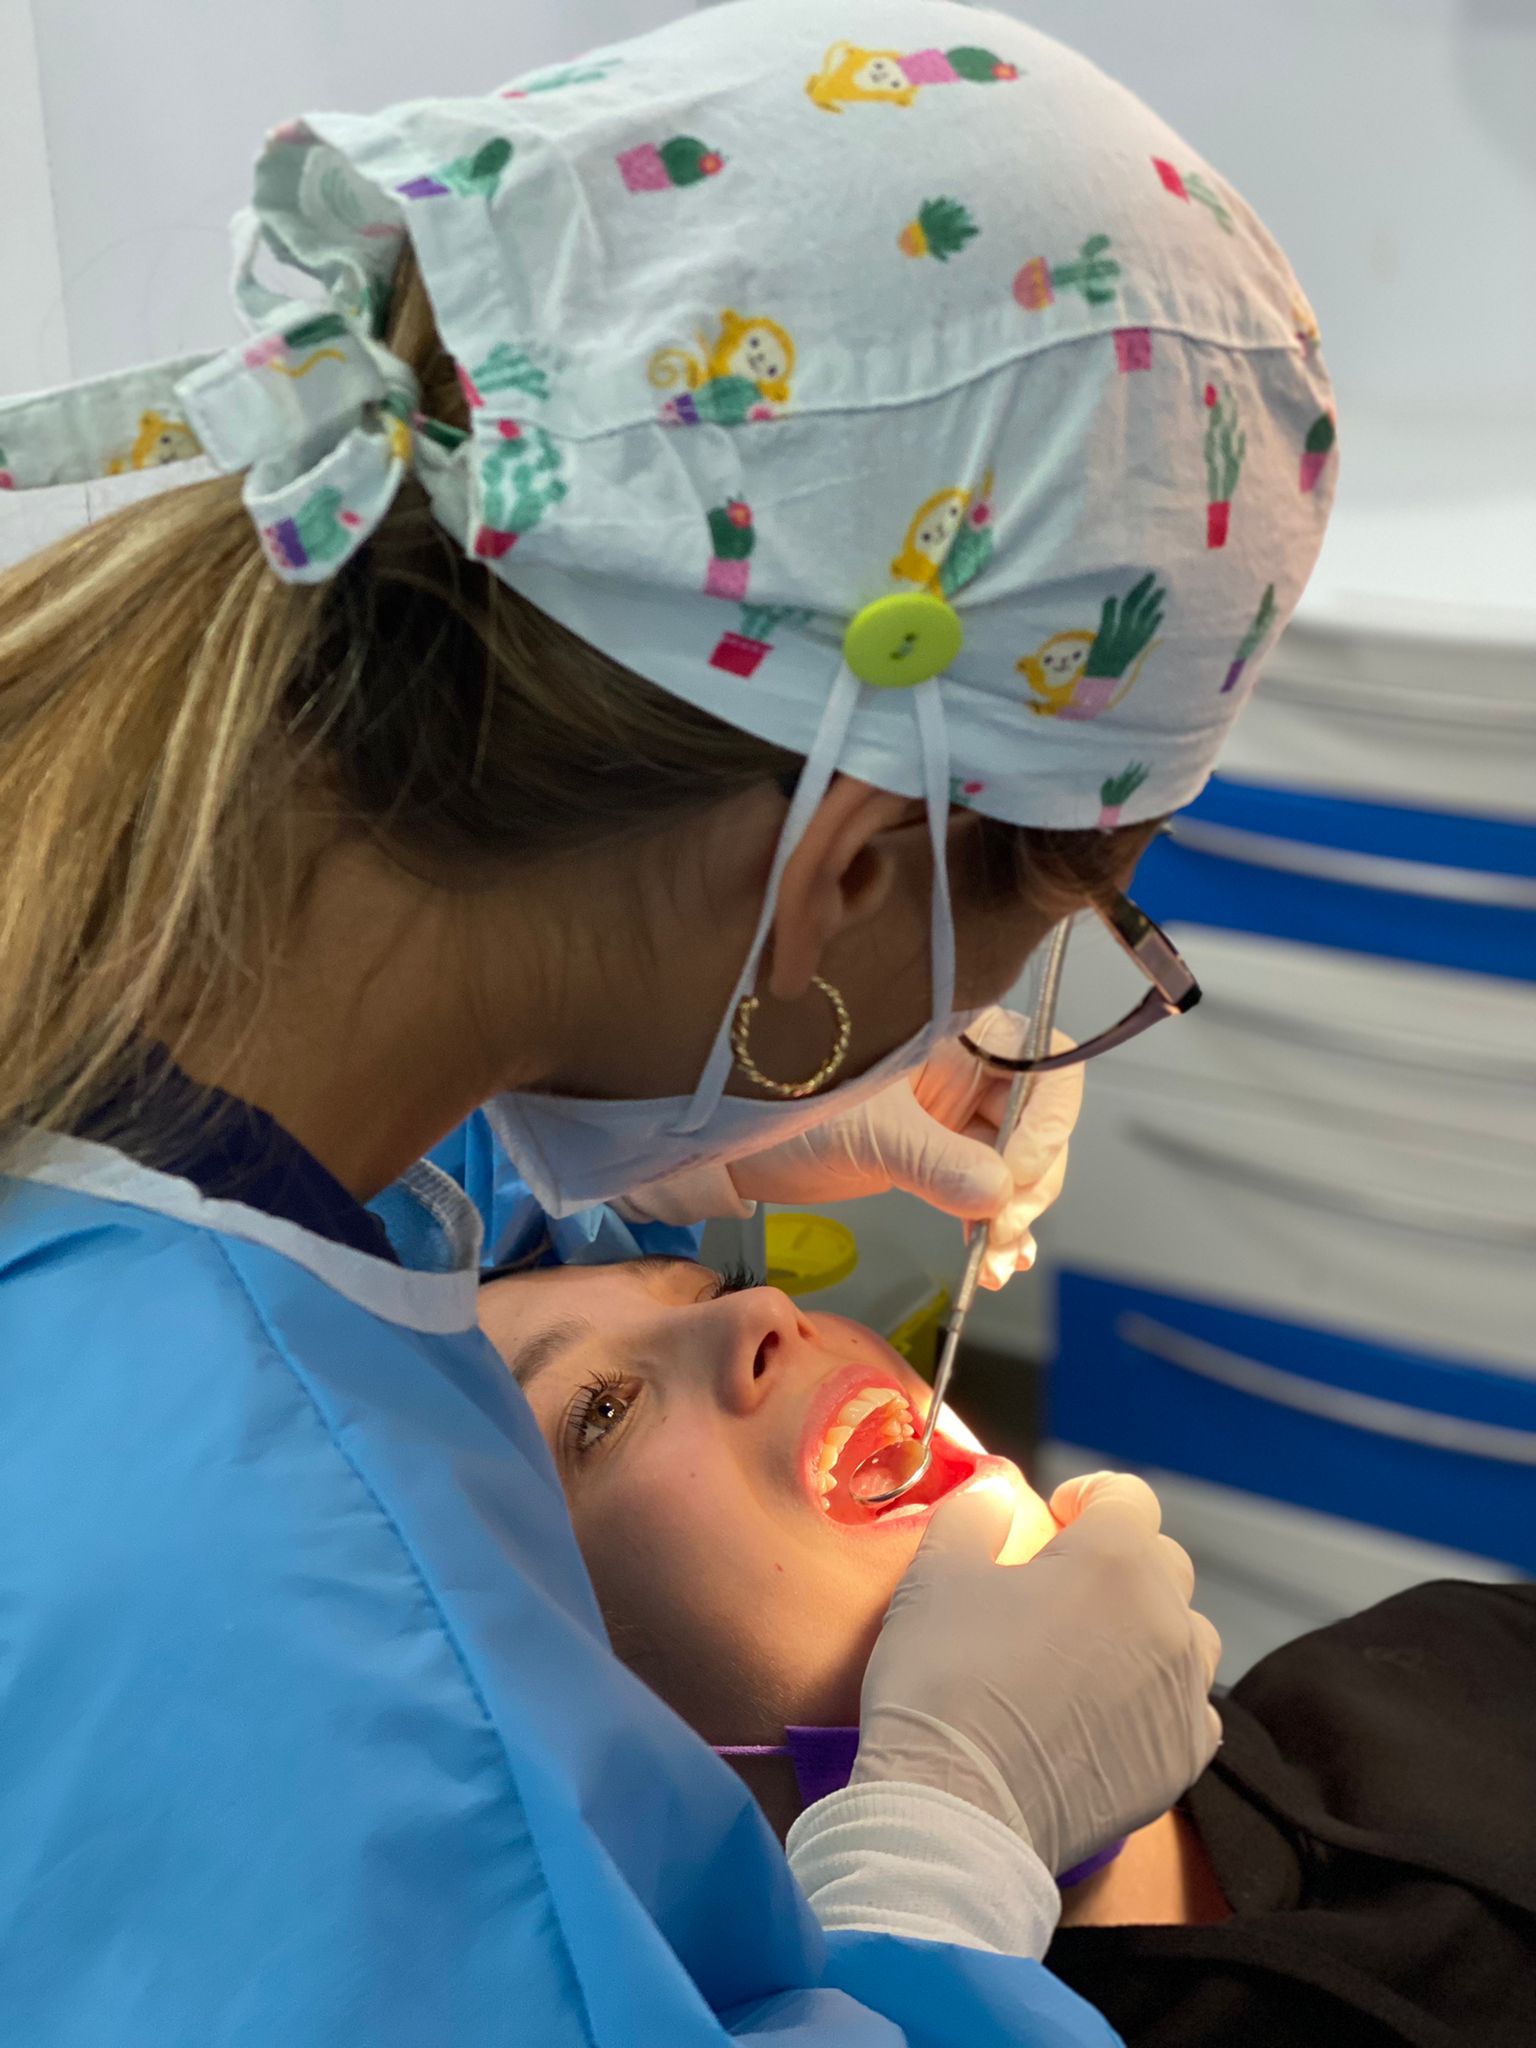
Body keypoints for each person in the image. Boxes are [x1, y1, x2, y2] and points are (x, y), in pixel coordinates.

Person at [0, 3, 1337, 2042]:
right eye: (1044, 943)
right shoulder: (294, 1643)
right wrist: (940, 1865)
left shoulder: (118, 993)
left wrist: (629, 1138)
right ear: (841, 873)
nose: (753, 1315)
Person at [481, 1256, 1536, 2048]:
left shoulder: (1467, 1649)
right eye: (600, 1410)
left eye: (727, 1277)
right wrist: (943, 1856)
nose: (760, 1313)